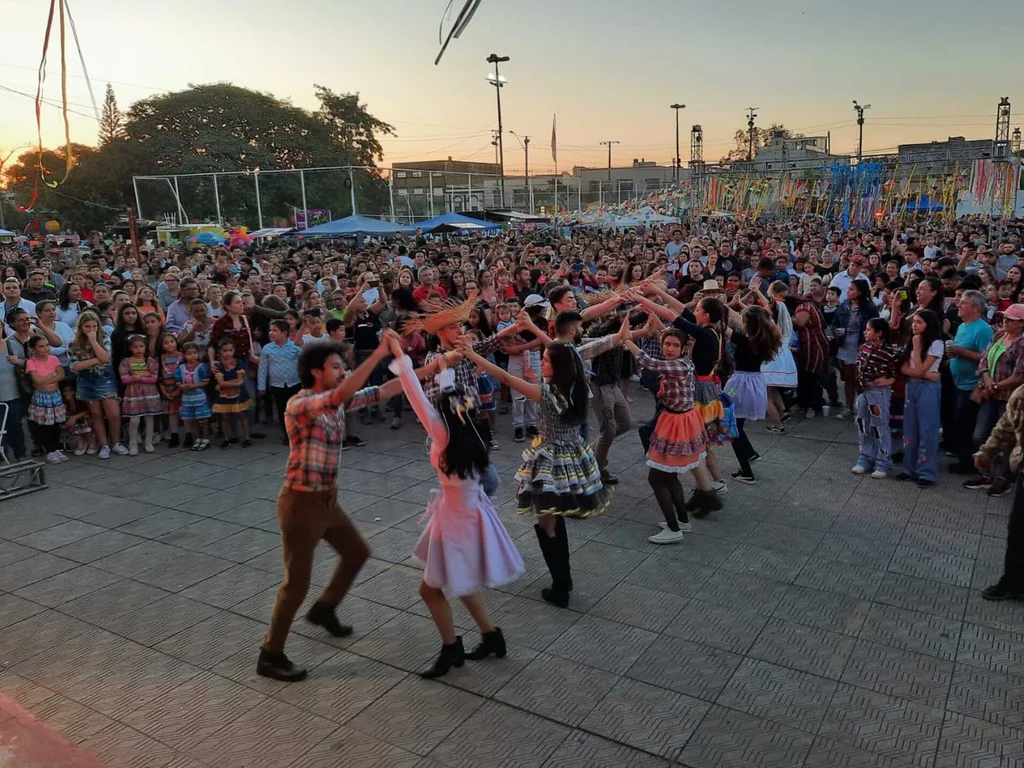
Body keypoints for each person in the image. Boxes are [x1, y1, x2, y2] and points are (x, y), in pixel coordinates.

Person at [257, 331, 404, 682]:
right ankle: (270, 654)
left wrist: (431, 368)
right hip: (300, 503)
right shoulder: (300, 403)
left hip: (327, 499)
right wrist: (379, 351)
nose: (342, 371)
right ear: (316, 371)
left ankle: (325, 610)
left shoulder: (336, 402)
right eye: (336, 366)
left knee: (357, 553)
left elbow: (380, 391)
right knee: (296, 584)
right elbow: (343, 392)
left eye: (343, 366)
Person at [388, 338, 524, 678]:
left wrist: (400, 356)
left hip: (456, 522)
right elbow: (445, 394)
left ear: (444, 410)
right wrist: (444, 370)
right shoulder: (473, 433)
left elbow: (414, 394)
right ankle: (491, 636)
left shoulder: (442, 433)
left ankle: (452, 649)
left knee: (430, 588)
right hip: (469, 514)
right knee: (460, 584)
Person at [458, 336, 608, 609]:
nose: (543, 363)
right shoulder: (579, 383)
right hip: (575, 455)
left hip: (552, 460)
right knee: (554, 518)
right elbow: (576, 351)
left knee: (547, 523)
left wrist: (473, 355)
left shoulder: (549, 392)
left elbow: (504, 376)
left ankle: (560, 587)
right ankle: (564, 579)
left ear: (559, 366)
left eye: (547, 360)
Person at [964, 303, 1024, 496]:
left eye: (1010, 319)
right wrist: (988, 380)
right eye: (1004, 317)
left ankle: (1004, 479)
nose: (1004, 321)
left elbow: (1019, 375)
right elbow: (983, 359)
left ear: (1021, 324)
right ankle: (986, 472)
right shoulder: (998, 335)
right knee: (979, 435)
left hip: (1009, 399)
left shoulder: (1022, 344)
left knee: (1007, 439)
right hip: (990, 394)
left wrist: (996, 386)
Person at [974, 383, 1024, 601]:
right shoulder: (1021, 394)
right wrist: (986, 452)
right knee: (1018, 530)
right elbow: (1006, 425)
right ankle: (1012, 583)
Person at [724, 304, 782, 484]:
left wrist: (719, 308)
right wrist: (725, 306)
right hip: (754, 382)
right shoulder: (765, 339)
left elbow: (722, 327)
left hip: (738, 385)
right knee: (734, 420)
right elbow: (737, 318)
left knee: (731, 424)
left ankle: (746, 471)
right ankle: (749, 453)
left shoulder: (743, 340)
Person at [946, 290, 994, 474]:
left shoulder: (983, 329)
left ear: (975, 307)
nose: (958, 304)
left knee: (967, 425)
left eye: (963, 303)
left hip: (972, 386)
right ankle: (962, 458)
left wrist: (960, 352)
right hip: (958, 382)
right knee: (958, 422)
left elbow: (987, 358)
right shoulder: (963, 326)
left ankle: (969, 464)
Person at [68, 312, 127, 459]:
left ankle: (116, 442)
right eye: (87, 327)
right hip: (85, 380)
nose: (91, 329)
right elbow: (75, 366)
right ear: (81, 327)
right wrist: (95, 360)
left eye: (94, 326)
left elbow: (106, 358)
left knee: (113, 413)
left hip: (104, 378)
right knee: (95, 414)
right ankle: (104, 444)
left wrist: (94, 342)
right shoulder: (73, 343)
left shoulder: (104, 338)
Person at [897, 309, 944, 488]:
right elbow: (904, 369)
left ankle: (926, 471)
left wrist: (917, 348)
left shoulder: (936, 343)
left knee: (928, 430)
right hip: (912, 387)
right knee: (909, 428)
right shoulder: (911, 339)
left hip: (928, 390)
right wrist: (924, 374)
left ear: (928, 325)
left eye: (919, 322)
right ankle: (909, 468)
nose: (915, 325)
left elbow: (919, 369)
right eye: (914, 321)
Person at [852, 318, 899, 478]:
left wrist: (887, 381)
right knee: (862, 423)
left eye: (869, 329)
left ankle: (883, 461)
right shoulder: (864, 348)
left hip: (879, 392)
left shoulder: (889, 353)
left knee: (880, 426)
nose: (865, 332)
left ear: (879, 333)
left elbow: (896, 373)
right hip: (864, 391)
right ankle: (865, 457)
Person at [258, 319, 302, 445]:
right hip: (277, 385)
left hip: (294, 383)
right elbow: (263, 368)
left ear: (284, 333)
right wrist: (261, 385)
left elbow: (303, 363)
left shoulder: (295, 347)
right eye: (270, 330)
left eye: (275, 331)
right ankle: (287, 434)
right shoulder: (267, 349)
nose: (271, 333)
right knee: (283, 410)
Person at [25, 335, 67, 464]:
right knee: (44, 424)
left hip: (55, 394)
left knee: (55, 423)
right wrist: (53, 375)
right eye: (41, 346)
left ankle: (56, 447)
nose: (45, 348)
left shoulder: (54, 359)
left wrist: (47, 379)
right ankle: (49, 449)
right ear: (33, 348)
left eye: (47, 345)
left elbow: (61, 375)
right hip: (42, 397)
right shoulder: (31, 362)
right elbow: (37, 381)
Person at [119, 334, 163, 455]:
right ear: (130, 348)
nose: (139, 349)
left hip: (149, 393)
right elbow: (124, 379)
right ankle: (132, 442)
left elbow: (154, 378)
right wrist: (141, 375)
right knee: (134, 418)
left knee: (149, 417)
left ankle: (148, 442)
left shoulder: (150, 361)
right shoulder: (126, 362)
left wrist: (139, 378)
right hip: (133, 393)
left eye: (141, 346)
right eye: (135, 347)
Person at [211, 339, 253, 448]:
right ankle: (226, 438)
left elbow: (240, 381)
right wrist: (225, 384)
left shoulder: (238, 363)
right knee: (225, 417)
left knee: (242, 415)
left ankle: (247, 437)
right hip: (224, 396)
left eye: (230, 350)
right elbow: (221, 382)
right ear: (220, 351)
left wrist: (224, 384)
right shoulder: (218, 366)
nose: (228, 353)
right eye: (225, 351)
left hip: (238, 394)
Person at [175, 342, 212, 451]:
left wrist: (194, 385)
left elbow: (206, 382)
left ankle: (205, 438)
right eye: (189, 354)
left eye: (195, 353)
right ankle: (197, 438)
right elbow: (177, 381)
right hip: (187, 397)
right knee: (193, 419)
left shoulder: (201, 367)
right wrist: (181, 386)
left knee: (203, 419)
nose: (192, 356)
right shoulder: (181, 368)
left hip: (199, 396)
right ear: (184, 355)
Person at [157, 332, 183, 447]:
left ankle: (190, 434)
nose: (170, 345)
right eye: (166, 343)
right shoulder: (160, 359)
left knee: (183, 411)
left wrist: (179, 389)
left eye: (172, 341)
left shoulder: (182, 357)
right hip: (167, 389)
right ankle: (174, 434)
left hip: (180, 387)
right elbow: (160, 377)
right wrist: (163, 391)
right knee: (171, 413)